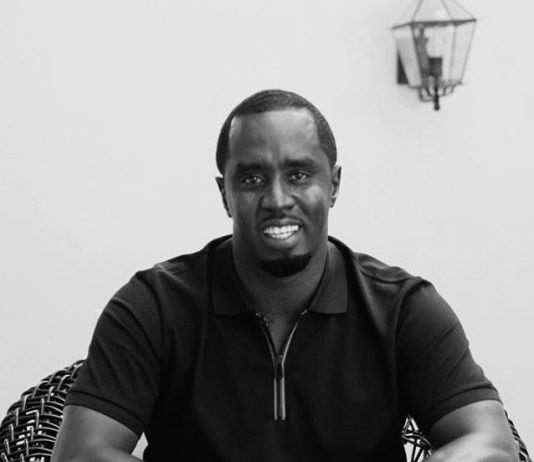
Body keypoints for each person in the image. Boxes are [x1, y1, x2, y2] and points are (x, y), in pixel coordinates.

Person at [51, 89, 518, 462]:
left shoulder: (402, 309)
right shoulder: (153, 306)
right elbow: (80, 453)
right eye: (252, 179)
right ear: (225, 193)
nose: (277, 199)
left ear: (333, 185)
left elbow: (491, 444)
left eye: (298, 175)